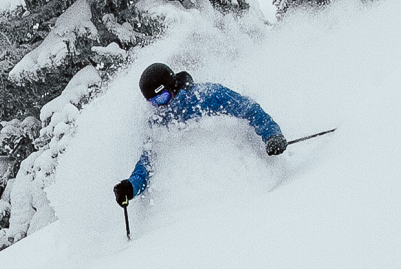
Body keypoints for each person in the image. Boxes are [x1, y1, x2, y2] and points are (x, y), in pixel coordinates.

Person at [113, 62, 286, 206]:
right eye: (154, 102)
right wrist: (131, 187)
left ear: (173, 86)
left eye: (162, 98)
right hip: (195, 201)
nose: (161, 106)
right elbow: (147, 163)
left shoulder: (207, 96)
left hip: (243, 183)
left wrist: (272, 135)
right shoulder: (157, 123)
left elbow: (249, 109)